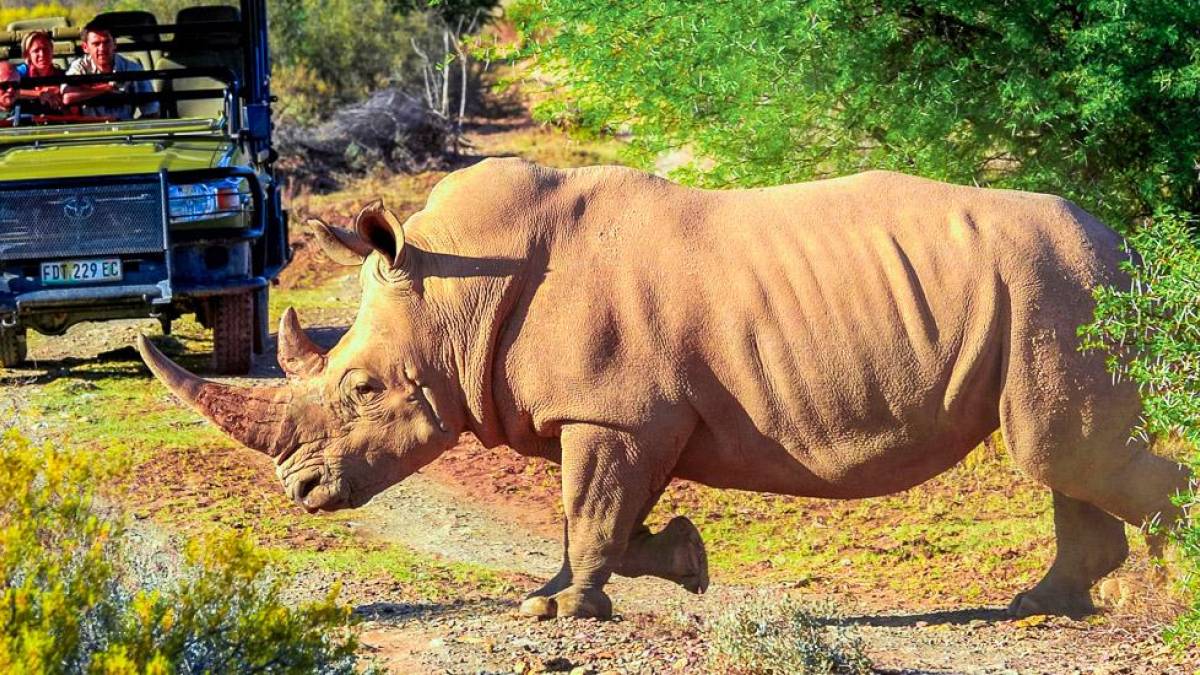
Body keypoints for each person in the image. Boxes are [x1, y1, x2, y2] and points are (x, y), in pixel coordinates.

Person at [61, 23, 158, 120]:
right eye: (96, 44)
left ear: (114, 44)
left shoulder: (131, 69)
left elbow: (152, 111)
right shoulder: (80, 67)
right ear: (85, 47)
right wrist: (106, 88)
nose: (102, 48)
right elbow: (67, 96)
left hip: (124, 127)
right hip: (91, 127)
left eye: (106, 42)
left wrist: (131, 127)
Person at [17, 31, 64, 111]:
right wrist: (40, 94)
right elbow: (5, 90)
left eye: (45, 49)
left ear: (52, 51)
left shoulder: (61, 75)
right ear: (27, 55)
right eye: (36, 51)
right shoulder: (22, 71)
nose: (42, 54)